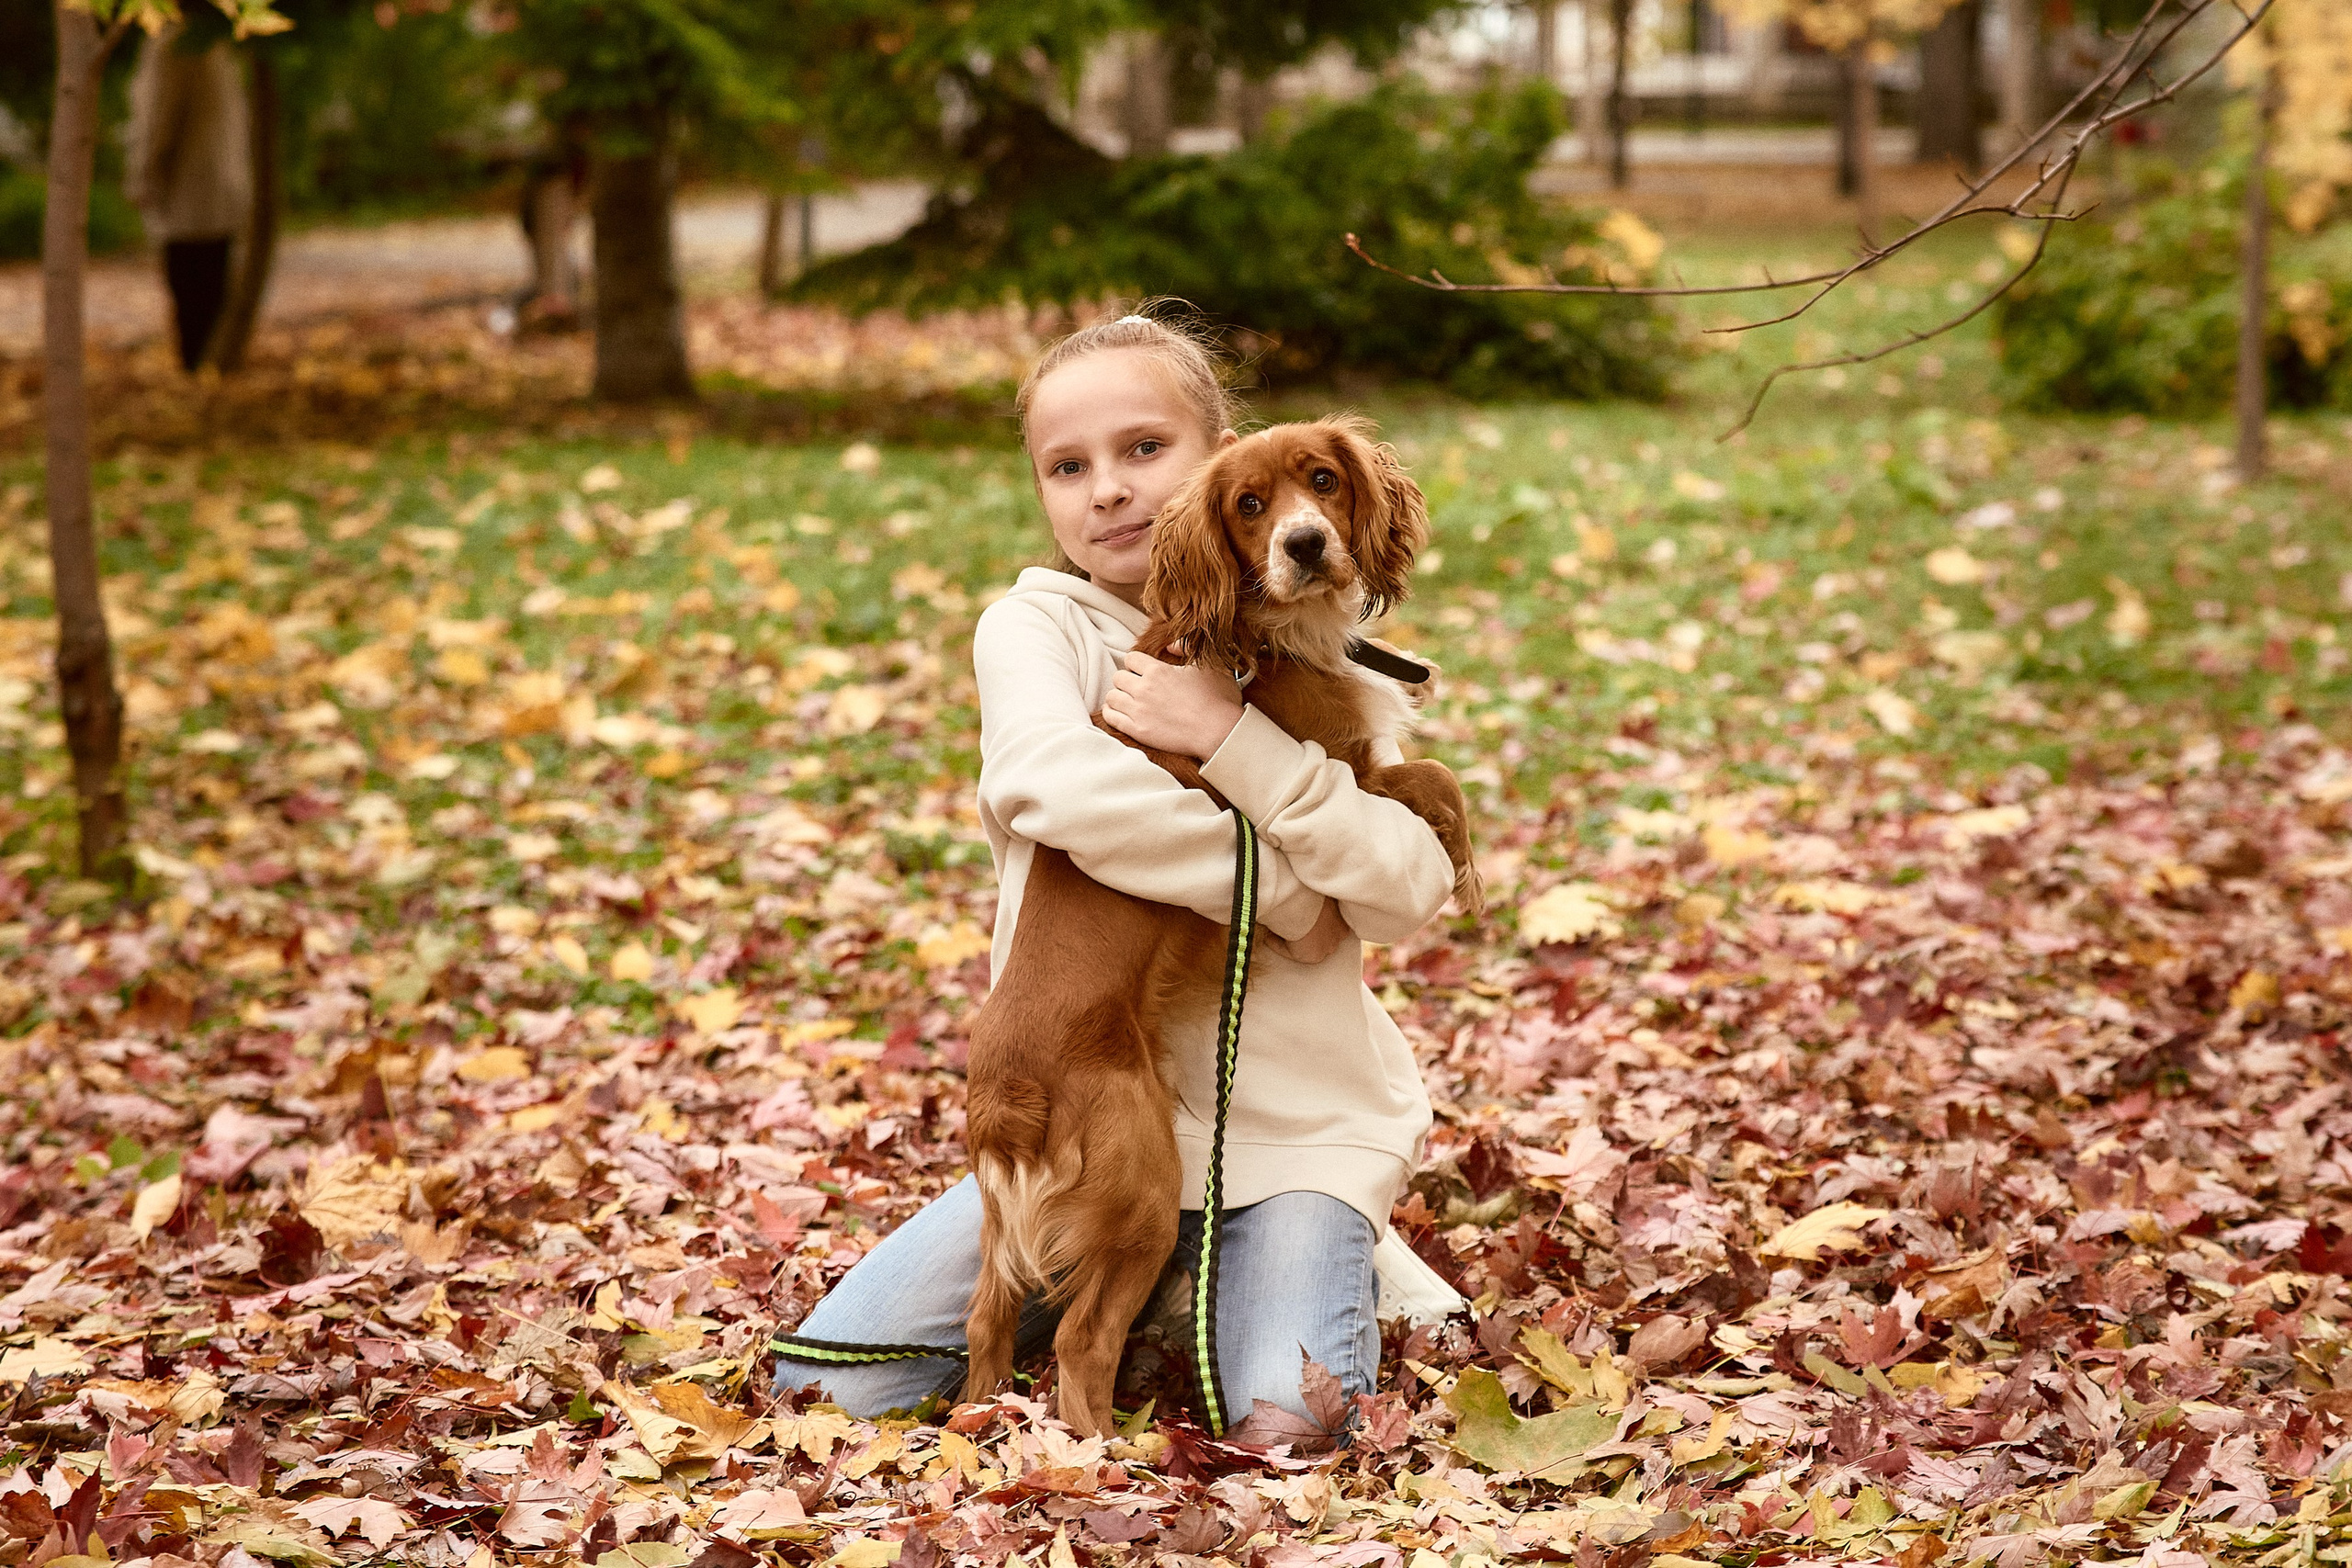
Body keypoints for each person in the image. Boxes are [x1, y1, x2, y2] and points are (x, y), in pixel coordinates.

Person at [772, 311, 1464, 1435]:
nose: (1107, 491)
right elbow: (1059, 789)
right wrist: (1289, 895)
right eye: (1068, 466)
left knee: (1293, 1423)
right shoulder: (1036, 628)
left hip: (1288, 1136)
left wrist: (1234, 740)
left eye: (1145, 450)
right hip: (1087, 1114)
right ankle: (1150, 1276)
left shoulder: (1311, 643)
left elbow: (1400, 889)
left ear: (1221, 458)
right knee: (824, 1389)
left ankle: (1299, 1252)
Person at [126, 22, 251, 374]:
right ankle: (209, 376)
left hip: (189, 195)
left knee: (193, 302)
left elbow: (156, 121)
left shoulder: (173, 44)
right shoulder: (216, 42)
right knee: (212, 295)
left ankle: (199, 380)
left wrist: (141, 178)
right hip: (222, 192)